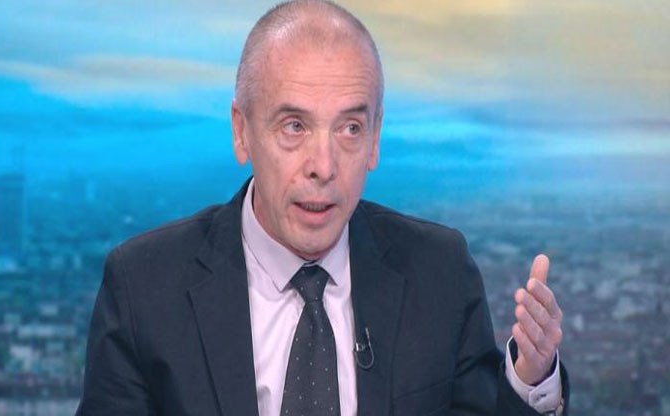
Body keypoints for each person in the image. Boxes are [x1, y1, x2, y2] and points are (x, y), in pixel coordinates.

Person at [77, 1, 569, 415]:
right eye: (294, 126)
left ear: (374, 139)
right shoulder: (144, 288)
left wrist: (529, 379)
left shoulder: (439, 271)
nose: (324, 166)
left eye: (350, 129)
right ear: (242, 132)